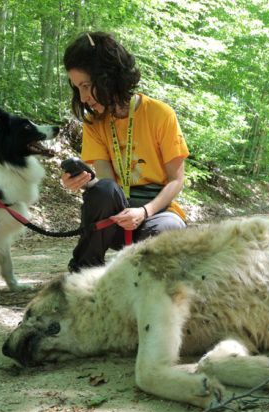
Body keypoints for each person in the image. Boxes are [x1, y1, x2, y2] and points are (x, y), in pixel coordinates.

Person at [62, 31, 189, 271]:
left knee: (168, 230)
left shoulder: (160, 114)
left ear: (108, 77)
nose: (83, 97)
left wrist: (144, 211)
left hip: (157, 215)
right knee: (102, 189)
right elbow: (107, 186)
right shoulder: (95, 125)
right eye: (77, 88)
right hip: (118, 219)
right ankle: (84, 272)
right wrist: (85, 182)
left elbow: (176, 180)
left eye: (86, 86)